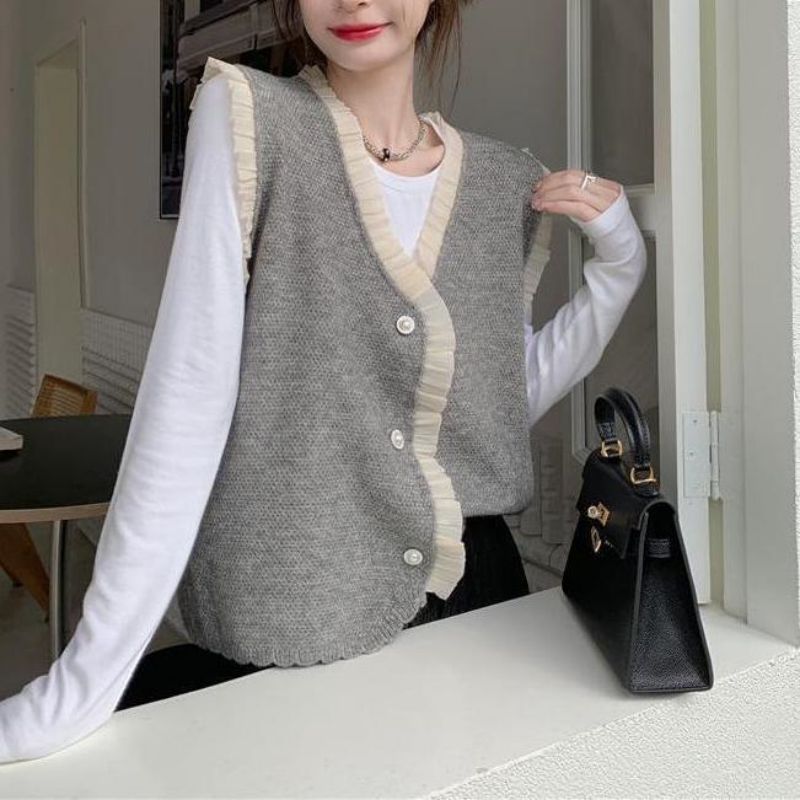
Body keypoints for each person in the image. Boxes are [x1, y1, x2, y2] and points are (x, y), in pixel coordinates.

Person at [0, 0, 646, 764]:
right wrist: (82, 683)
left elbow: (490, 409)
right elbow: (185, 408)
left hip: (475, 595)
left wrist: (620, 266)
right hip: (295, 596)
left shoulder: (502, 179)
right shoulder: (250, 119)